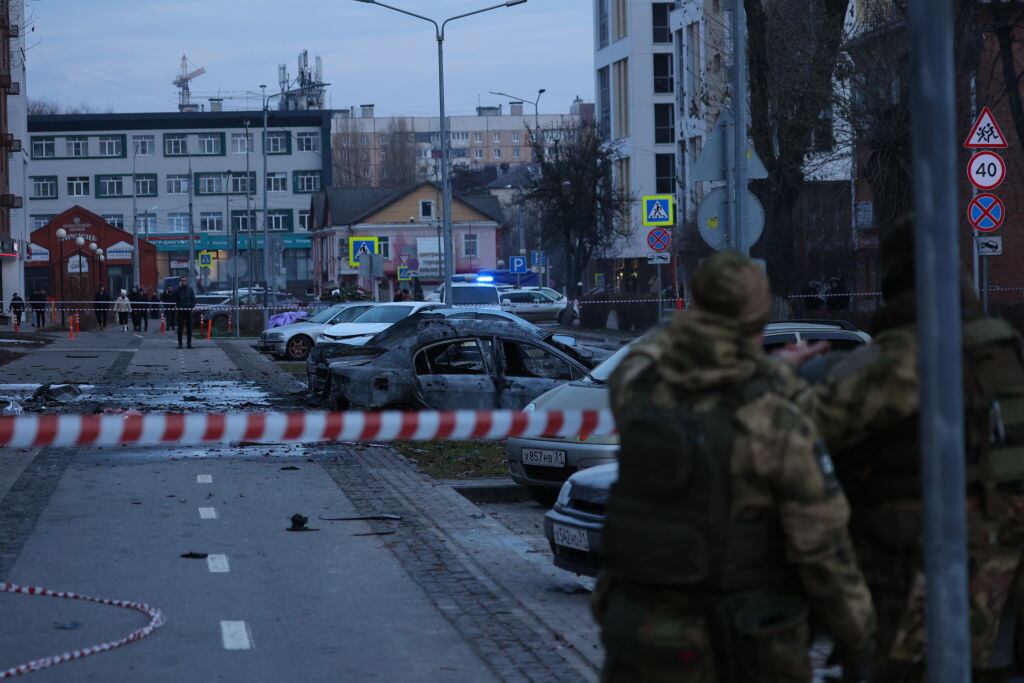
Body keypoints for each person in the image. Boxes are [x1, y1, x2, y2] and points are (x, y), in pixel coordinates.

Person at [597, 251, 875, 682]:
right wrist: (861, 643)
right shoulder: (773, 419)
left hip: (644, 643)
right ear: (757, 319)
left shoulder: (641, 395)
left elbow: (642, 359)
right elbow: (823, 551)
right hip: (743, 648)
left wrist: (692, 326)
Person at [786, 216, 1024, 680]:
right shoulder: (1008, 350)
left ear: (894, 276)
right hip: (1005, 576)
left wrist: (781, 377)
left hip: (921, 585)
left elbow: (791, 434)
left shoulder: (901, 357)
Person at [174, 276, 196, 349]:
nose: (183, 282)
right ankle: (180, 344)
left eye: (185, 280)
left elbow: (193, 300)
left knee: (189, 328)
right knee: (180, 328)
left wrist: (191, 308)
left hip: (188, 311)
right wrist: (178, 288)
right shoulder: (177, 290)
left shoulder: (190, 290)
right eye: (182, 280)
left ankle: (189, 344)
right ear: (180, 281)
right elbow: (174, 299)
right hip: (180, 311)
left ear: (187, 281)